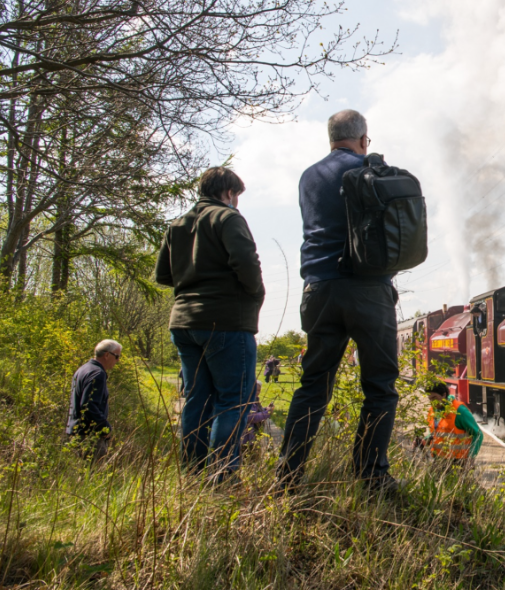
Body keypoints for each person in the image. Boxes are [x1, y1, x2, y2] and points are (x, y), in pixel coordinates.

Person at [278, 109, 401, 492]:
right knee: (379, 387)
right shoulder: (373, 170)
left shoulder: (308, 177)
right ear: (364, 139)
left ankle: (288, 474)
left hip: (318, 290)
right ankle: (371, 476)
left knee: (313, 384)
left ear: (330, 139)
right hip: (367, 290)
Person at [155, 166, 265, 483]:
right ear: (229, 193)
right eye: (237, 197)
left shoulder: (177, 224)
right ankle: (222, 474)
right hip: (226, 321)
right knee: (233, 400)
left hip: (184, 323)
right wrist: (255, 293)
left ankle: (192, 471)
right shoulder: (228, 218)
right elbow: (246, 261)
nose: (237, 203)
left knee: (196, 399)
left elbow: (164, 275)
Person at [66, 339, 123, 462]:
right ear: (107, 355)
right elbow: (88, 406)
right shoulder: (97, 374)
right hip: (89, 437)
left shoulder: (83, 369)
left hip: (76, 433)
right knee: (94, 476)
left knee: (81, 476)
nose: (118, 361)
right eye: (117, 356)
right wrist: (105, 427)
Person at [424, 382, 483, 464]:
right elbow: (436, 432)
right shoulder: (432, 411)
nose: (432, 402)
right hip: (438, 460)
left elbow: (478, 434)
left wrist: (471, 457)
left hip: (458, 462)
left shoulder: (459, 410)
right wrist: (423, 441)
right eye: (430, 399)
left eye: (435, 398)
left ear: (444, 395)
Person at [242, 381, 275, 446]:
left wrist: (266, 409)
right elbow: (251, 417)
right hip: (246, 436)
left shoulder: (255, 400)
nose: (257, 392)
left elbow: (257, 411)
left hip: (252, 435)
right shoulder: (247, 401)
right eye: (255, 390)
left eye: (259, 390)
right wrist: (267, 413)